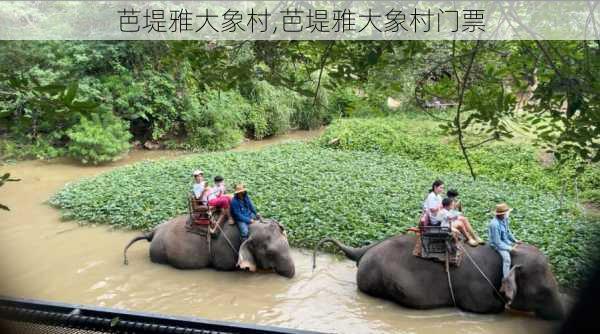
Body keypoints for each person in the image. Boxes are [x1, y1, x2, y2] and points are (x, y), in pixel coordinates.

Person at [488, 203, 521, 279]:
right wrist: (510, 248)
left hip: (505, 241)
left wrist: (515, 241)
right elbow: (497, 242)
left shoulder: (505, 219)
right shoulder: (494, 224)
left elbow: (508, 232)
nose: (507, 214)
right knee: (507, 259)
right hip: (497, 244)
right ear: (501, 214)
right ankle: (506, 279)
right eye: (506, 213)